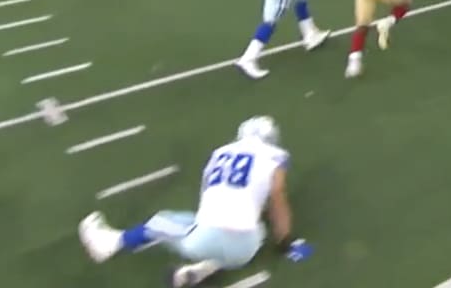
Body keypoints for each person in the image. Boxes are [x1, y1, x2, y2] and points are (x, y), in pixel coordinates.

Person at [78, 117, 307, 287]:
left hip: (203, 238)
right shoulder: (275, 156)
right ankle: (199, 270)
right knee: (257, 229)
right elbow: (276, 193)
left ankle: (114, 242)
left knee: (163, 221)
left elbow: (210, 196)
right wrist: (285, 241)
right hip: (244, 250)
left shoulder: (220, 152)